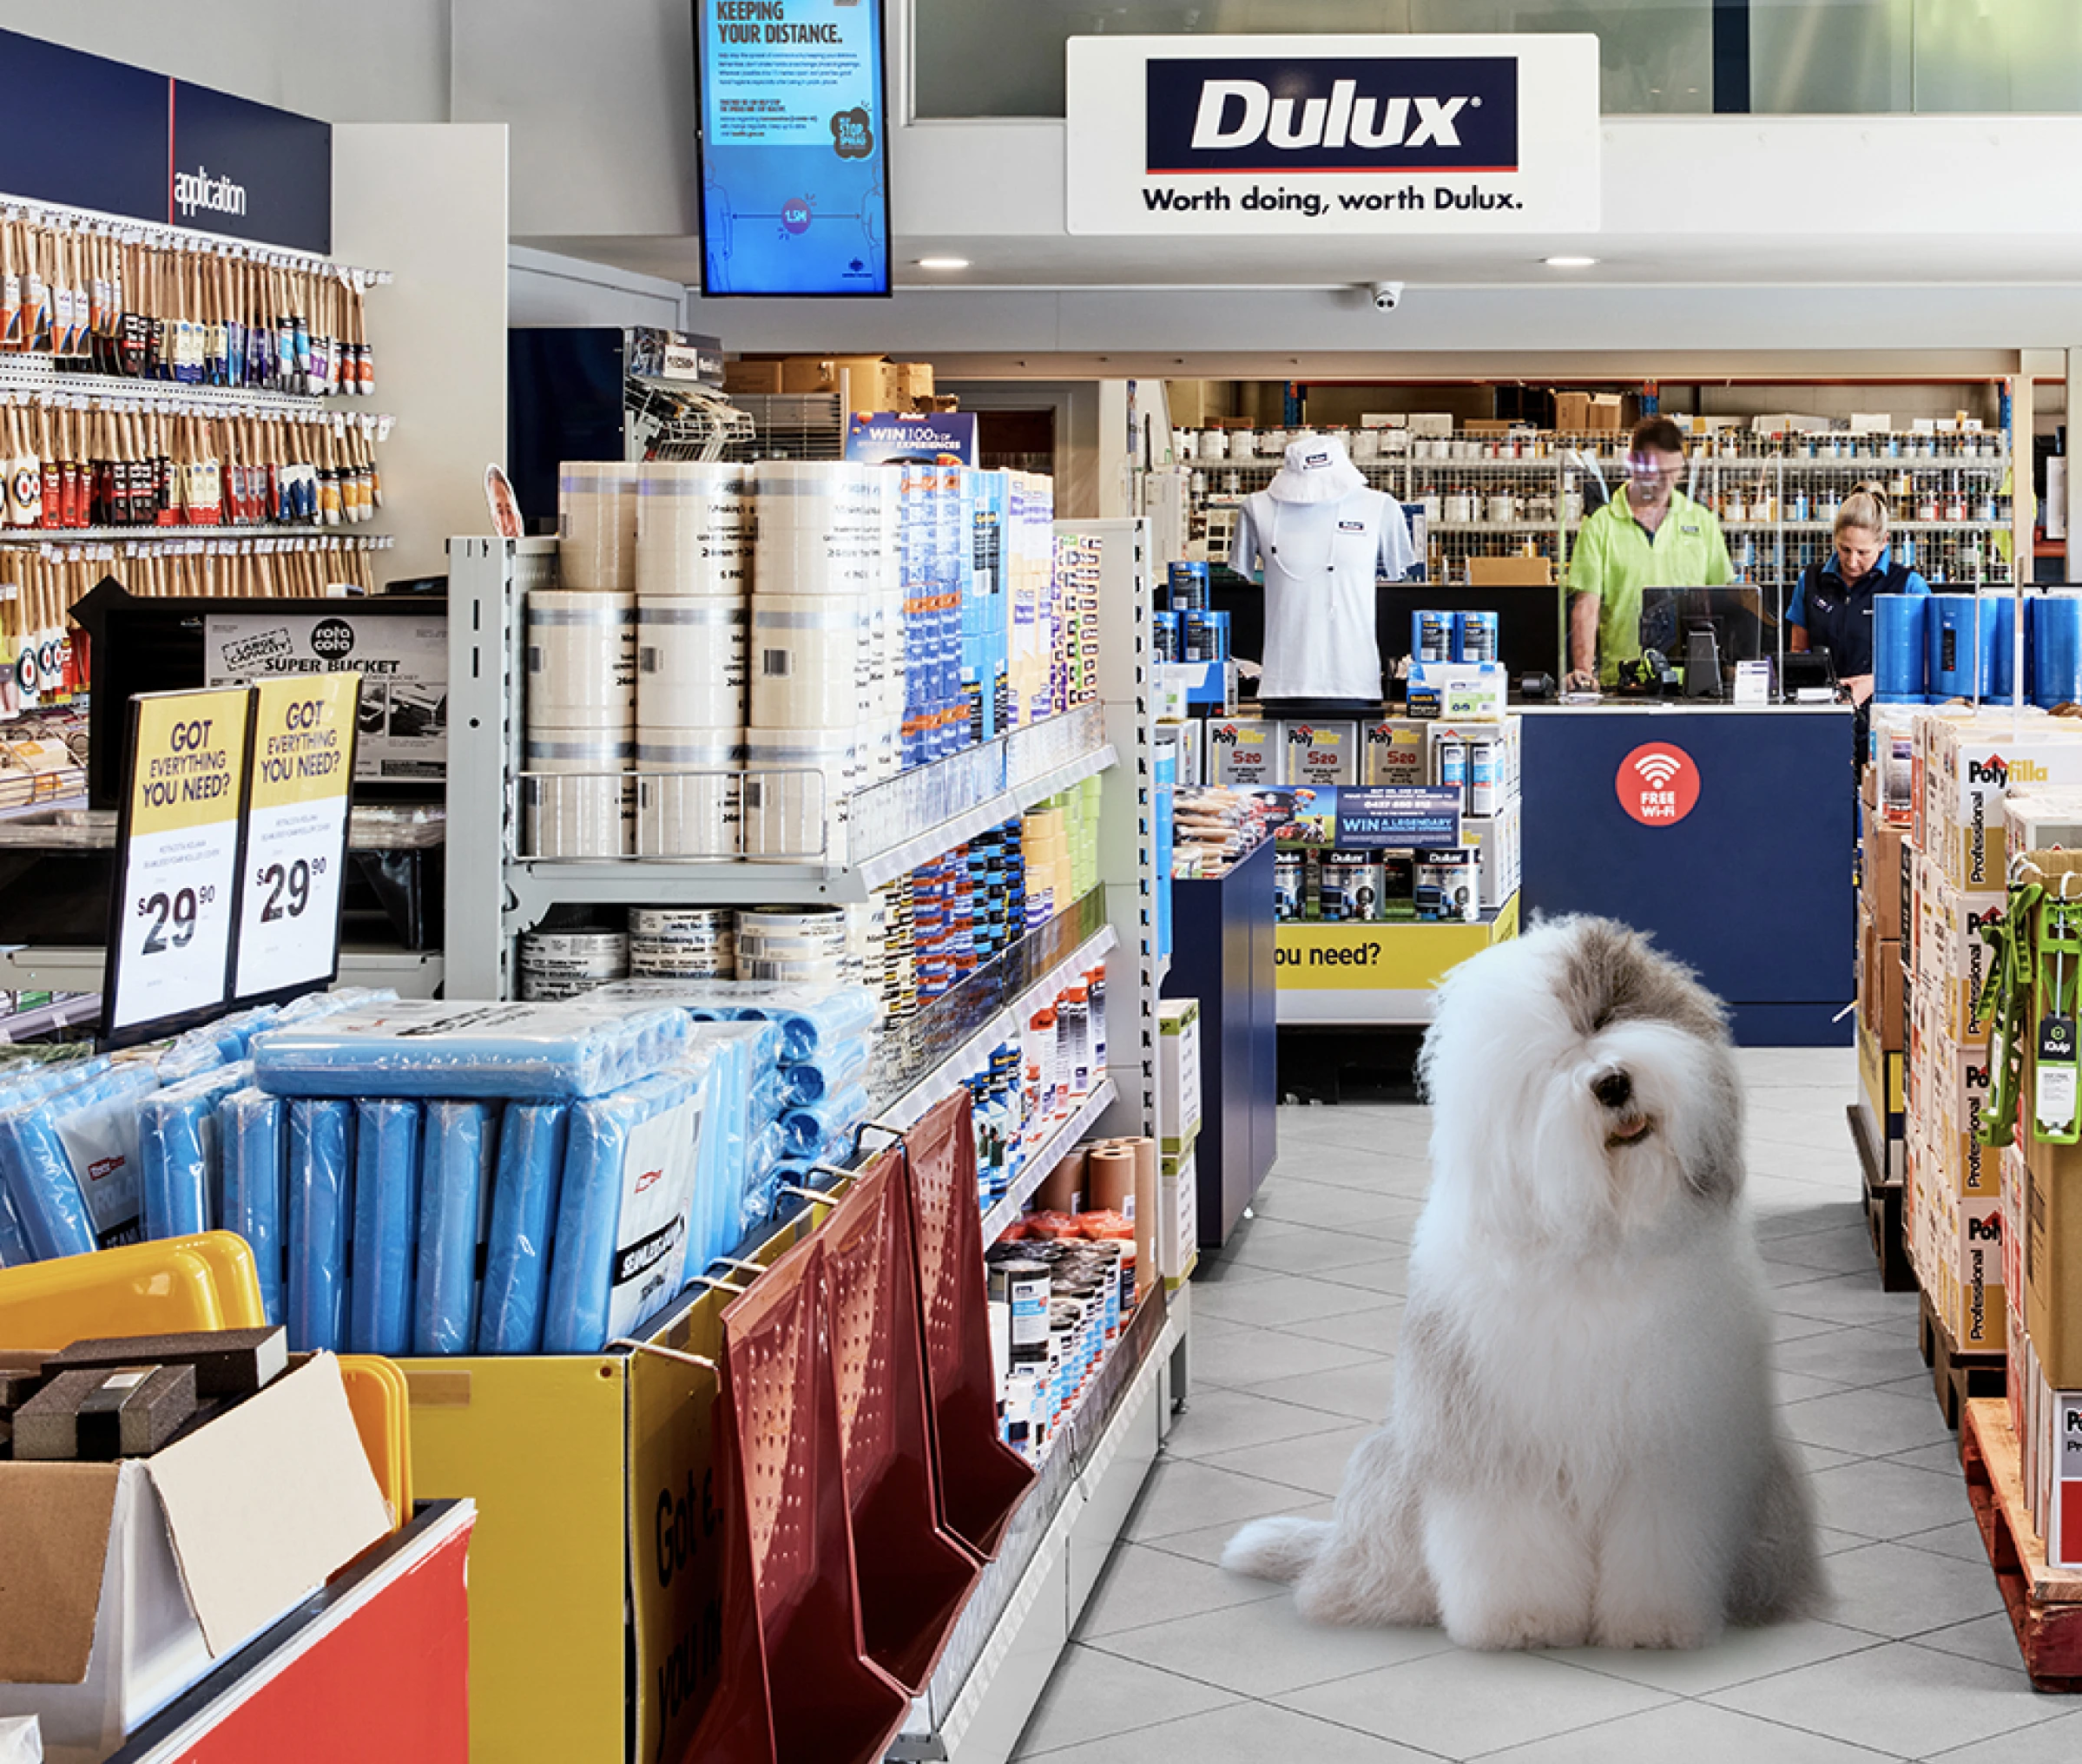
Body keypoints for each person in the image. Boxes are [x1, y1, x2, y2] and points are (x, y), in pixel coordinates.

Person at [1565, 416, 1734, 690]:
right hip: (1623, 681)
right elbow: (1587, 606)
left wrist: (1732, 667)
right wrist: (1583, 672)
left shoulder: (1702, 522)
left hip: (1692, 680)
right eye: (1657, 473)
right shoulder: (1600, 525)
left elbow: (1724, 600)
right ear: (1634, 463)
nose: (1666, 484)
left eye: (1673, 473)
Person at [1786, 484, 1929, 707]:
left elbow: (1928, 663)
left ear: (1883, 543)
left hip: (1887, 712)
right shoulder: (1811, 581)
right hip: (1824, 711)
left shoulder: (1908, 586)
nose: (1852, 562)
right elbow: (1798, 653)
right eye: (1844, 549)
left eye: (1863, 553)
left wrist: (1874, 683)